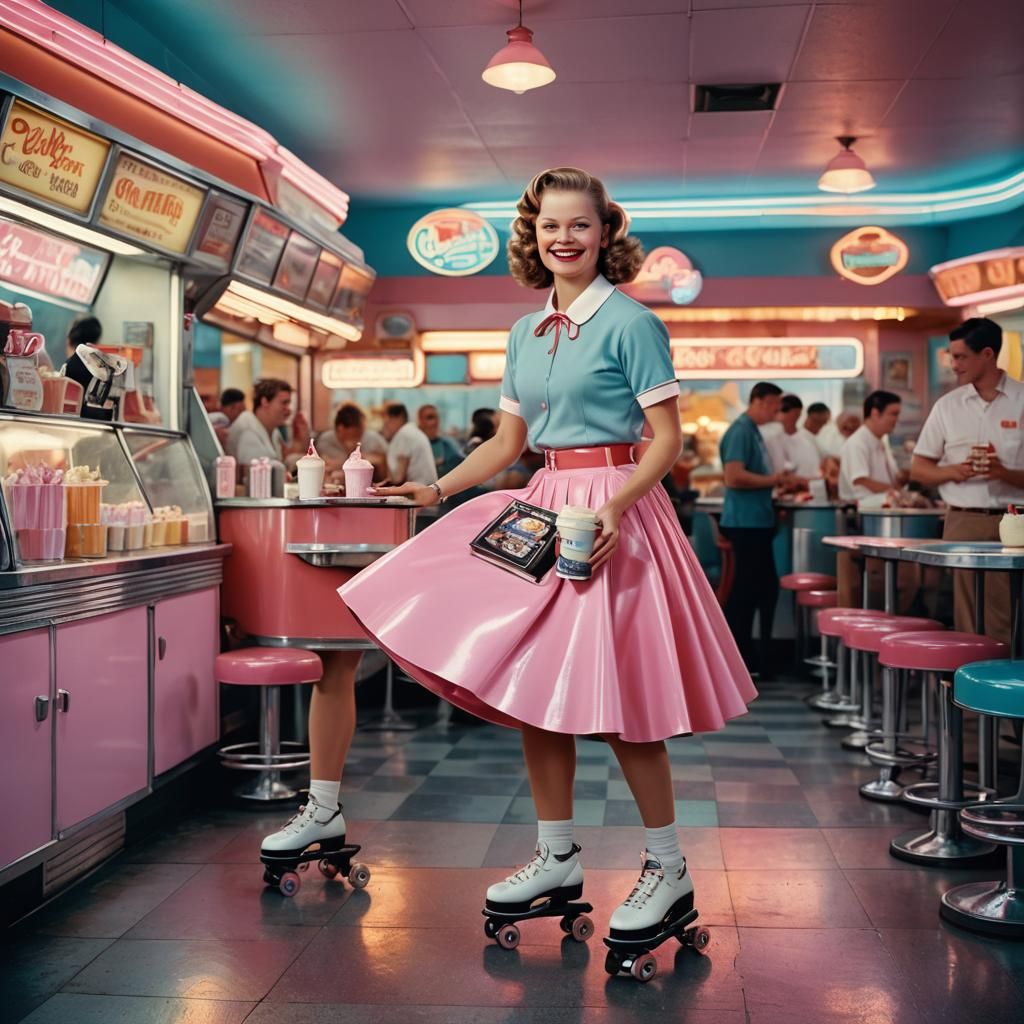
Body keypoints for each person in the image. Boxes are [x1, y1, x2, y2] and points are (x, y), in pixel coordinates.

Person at [338, 167, 755, 946]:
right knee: (537, 688)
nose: (563, 238)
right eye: (549, 226)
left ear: (605, 234)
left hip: (614, 509)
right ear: (531, 237)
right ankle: (557, 853)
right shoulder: (524, 332)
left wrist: (613, 509)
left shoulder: (632, 322)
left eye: (579, 225)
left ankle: (668, 866)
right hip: (544, 506)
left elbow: (663, 441)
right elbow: (508, 441)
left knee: (627, 704)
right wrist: (434, 491)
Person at [911, 318, 1024, 641]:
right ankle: (966, 687)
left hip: (1015, 522)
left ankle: (1005, 686)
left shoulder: (1021, 400)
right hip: (962, 520)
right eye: (952, 356)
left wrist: (1003, 472)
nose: (953, 365)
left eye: (960, 357)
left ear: (987, 354)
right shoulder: (948, 406)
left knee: (1008, 611)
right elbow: (919, 469)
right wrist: (954, 471)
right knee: (966, 614)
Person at [719, 382, 788, 675]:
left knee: (763, 589)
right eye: (773, 405)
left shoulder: (753, 431)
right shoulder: (740, 430)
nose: (776, 411)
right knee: (746, 593)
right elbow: (733, 477)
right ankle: (740, 659)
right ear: (758, 401)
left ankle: (752, 657)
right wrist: (774, 480)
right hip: (745, 522)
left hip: (757, 521)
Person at [837, 390, 905, 607]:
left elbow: (895, 478)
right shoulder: (857, 443)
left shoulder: (881, 442)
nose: (896, 420)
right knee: (870, 585)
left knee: (898, 581)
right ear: (875, 413)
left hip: (883, 516)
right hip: (861, 519)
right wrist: (897, 493)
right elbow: (861, 480)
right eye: (893, 414)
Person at [226, 379, 297, 470]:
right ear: (265, 402)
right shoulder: (247, 429)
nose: (288, 409)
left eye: (289, 404)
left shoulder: (274, 431)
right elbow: (255, 473)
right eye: (284, 403)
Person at [317, 403, 389, 481]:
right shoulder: (326, 440)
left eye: (360, 432)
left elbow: (385, 468)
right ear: (340, 428)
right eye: (355, 433)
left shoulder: (373, 439)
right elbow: (324, 464)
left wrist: (376, 461)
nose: (357, 439)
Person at [762, 394, 822, 480]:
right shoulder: (769, 436)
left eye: (781, 411)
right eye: (776, 411)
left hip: (810, 488)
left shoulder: (808, 438)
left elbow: (824, 460)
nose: (777, 415)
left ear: (797, 413)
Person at [380, 402, 437, 486]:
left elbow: (398, 478)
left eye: (386, 421)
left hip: (420, 493)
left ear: (397, 417)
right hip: (426, 490)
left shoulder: (404, 435)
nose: (385, 426)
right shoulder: (411, 431)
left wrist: (380, 461)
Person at [418, 404, 464, 478]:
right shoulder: (415, 445)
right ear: (420, 420)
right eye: (430, 417)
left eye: (437, 417)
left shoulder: (448, 443)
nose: (435, 421)